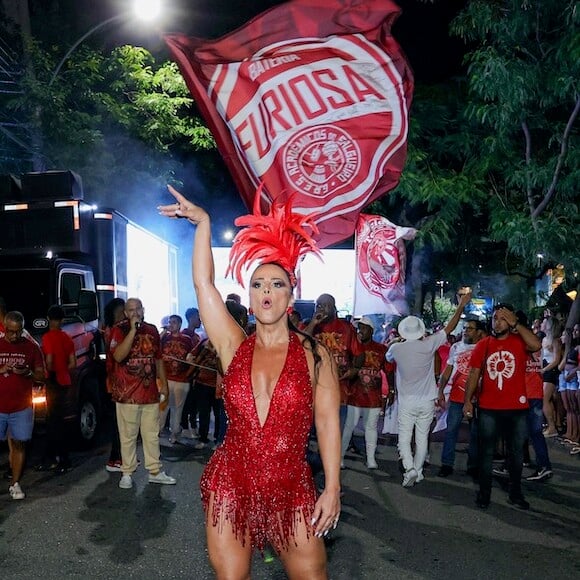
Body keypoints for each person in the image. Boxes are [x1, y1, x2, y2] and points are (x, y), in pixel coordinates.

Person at [160, 186, 340, 579]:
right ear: (249, 294)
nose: (266, 293)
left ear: (292, 294)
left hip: (291, 484)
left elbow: (327, 423)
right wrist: (203, 222)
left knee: (313, 573)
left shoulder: (314, 354)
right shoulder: (232, 346)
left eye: (276, 284)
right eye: (257, 284)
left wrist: (332, 488)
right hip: (231, 482)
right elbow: (203, 285)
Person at [386, 293, 471, 488]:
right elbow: (449, 327)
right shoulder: (428, 345)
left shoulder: (397, 349)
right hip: (426, 400)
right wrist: (460, 306)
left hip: (407, 401)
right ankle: (419, 470)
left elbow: (388, 355)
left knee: (405, 438)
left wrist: (399, 339)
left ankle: (410, 469)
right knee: (422, 437)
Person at [463, 303, 542, 510]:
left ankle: (515, 493)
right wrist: (467, 401)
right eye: (495, 318)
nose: (498, 323)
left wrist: (517, 323)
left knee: (515, 454)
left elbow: (536, 345)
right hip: (489, 408)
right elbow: (474, 374)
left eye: (503, 318)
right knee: (486, 453)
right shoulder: (484, 344)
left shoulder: (519, 342)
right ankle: (484, 494)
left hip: (516, 409)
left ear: (511, 321)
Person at [109, 297, 176, 489]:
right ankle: (127, 472)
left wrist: (164, 384)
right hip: (126, 394)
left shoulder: (152, 330)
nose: (135, 313)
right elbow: (119, 355)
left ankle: (155, 471)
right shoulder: (119, 330)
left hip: (149, 392)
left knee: (151, 434)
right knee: (128, 435)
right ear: (125, 313)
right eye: (131, 310)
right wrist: (132, 330)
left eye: (138, 309)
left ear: (143, 310)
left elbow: (158, 359)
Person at [0, 311, 45, 500]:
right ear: (4, 328)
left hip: (21, 407)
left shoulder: (31, 347)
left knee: (19, 445)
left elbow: (41, 376)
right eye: (10, 331)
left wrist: (28, 373)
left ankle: (15, 484)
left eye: (18, 332)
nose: (14, 336)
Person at [437, 319, 486, 477]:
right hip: (457, 396)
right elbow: (448, 370)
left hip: (478, 397)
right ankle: (447, 464)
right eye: (464, 328)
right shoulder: (456, 347)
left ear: (479, 331)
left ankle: (473, 466)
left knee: (475, 433)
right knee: (451, 430)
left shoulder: (484, 347)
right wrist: (440, 391)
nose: (466, 331)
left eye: (470, 328)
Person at [305, 293, 361, 431]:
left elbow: (359, 353)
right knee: (309, 435)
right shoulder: (309, 326)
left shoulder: (346, 328)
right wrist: (313, 323)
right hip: (313, 391)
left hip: (339, 390)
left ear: (334, 308)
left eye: (326, 306)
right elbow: (299, 345)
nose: (322, 309)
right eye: (319, 306)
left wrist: (355, 369)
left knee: (334, 434)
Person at [340, 317, 387, 470]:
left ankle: (371, 459)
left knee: (371, 427)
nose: (360, 331)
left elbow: (389, 370)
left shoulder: (381, 349)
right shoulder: (352, 348)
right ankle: (339, 458)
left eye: (364, 328)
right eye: (359, 328)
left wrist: (391, 389)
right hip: (354, 394)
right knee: (349, 426)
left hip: (373, 395)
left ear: (371, 331)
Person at [38, 305, 77, 474]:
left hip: (53, 381)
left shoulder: (47, 337)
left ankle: (58, 459)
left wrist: (48, 374)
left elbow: (49, 360)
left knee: (53, 422)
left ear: (48, 318)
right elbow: (73, 363)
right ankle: (57, 458)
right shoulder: (67, 337)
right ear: (62, 320)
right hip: (65, 381)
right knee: (59, 420)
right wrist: (64, 372)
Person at [160, 314, 195, 444]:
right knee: (163, 407)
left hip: (181, 379)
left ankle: (174, 433)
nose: (171, 324)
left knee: (177, 408)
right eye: (170, 322)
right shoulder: (164, 337)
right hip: (166, 378)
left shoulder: (186, 339)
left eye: (174, 322)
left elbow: (192, 355)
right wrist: (164, 331)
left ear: (180, 324)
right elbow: (155, 346)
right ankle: (158, 430)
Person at [102, 298, 126, 472]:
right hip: (116, 381)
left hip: (118, 381)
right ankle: (116, 458)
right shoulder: (113, 331)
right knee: (119, 422)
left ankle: (120, 457)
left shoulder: (111, 329)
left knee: (122, 421)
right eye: (122, 311)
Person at [540, 315, 562, 437]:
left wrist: (544, 369)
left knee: (545, 399)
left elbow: (556, 359)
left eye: (544, 322)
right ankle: (550, 425)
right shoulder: (544, 340)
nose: (542, 324)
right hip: (544, 369)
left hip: (550, 371)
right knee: (546, 400)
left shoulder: (555, 340)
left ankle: (552, 427)